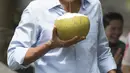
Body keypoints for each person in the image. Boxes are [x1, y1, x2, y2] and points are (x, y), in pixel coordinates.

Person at [7, 0, 116, 73]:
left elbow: (102, 52)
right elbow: (13, 59)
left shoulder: (94, 5)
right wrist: (49, 45)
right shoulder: (37, 9)